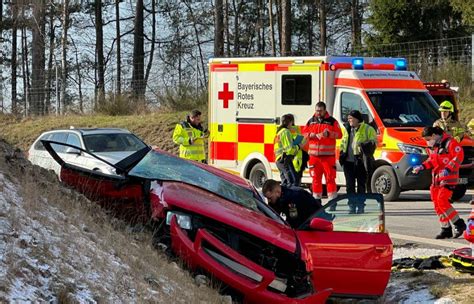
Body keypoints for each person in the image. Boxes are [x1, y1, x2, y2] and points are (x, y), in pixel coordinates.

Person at [412, 126, 466, 239]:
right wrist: (421, 166)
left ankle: (459, 224)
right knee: (437, 204)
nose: (427, 142)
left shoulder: (450, 143)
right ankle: (445, 228)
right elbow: (432, 160)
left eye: (428, 139)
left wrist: (448, 168)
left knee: (442, 200)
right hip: (436, 179)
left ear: (433, 136)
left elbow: (458, 156)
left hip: (448, 177)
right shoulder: (434, 147)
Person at [339, 110, 377, 213]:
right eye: (348, 118)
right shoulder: (346, 128)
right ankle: (351, 206)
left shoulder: (368, 129)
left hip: (360, 161)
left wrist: (364, 145)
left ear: (357, 119)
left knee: (361, 186)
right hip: (348, 162)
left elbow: (374, 143)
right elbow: (343, 143)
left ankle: (360, 207)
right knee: (349, 186)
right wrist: (342, 154)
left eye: (351, 118)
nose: (349, 120)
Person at [306, 101, 342, 200]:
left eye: (320, 111)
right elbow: (304, 133)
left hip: (328, 157)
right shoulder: (311, 121)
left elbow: (339, 134)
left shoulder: (332, 121)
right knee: (315, 179)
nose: (318, 113)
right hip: (314, 157)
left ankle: (332, 201)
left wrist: (329, 134)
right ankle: (316, 201)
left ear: (325, 110)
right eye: (317, 111)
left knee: (330, 179)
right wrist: (310, 135)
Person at [274, 114, 302, 187]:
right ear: (290, 122)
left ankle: (283, 197)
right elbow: (289, 149)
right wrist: (298, 147)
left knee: (285, 182)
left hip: (279, 159)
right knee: (292, 181)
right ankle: (290, 197)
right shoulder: (285, 132)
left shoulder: (280, 131)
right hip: (284, 159)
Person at [287, 114, 309, 186]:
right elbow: (300, 142)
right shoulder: (297, 129)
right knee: (297, 180)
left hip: (291, 157)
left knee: (290, 180)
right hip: (299, 158)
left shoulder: (284, 130)